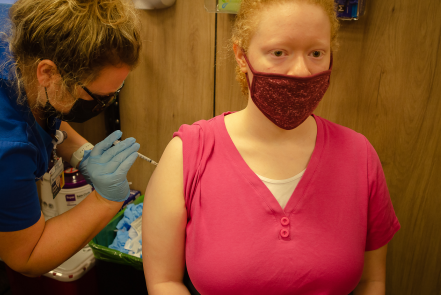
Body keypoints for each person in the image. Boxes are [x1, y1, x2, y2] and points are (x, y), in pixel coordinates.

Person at [142, 0, 400, 294]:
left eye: (316, 53)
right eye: (279, 53)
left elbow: (372, 281)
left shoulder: (360, 156)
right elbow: (164, 281)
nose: (301, 71)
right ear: (241, 56)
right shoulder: (188, 154)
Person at [0, 0, 142, 293]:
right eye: (97, 97)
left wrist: (82, 153)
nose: (106, 104)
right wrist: (106, 201)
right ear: (47, 73)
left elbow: (40, 102)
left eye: (115, 92)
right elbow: (28, 257)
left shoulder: (27, 26)